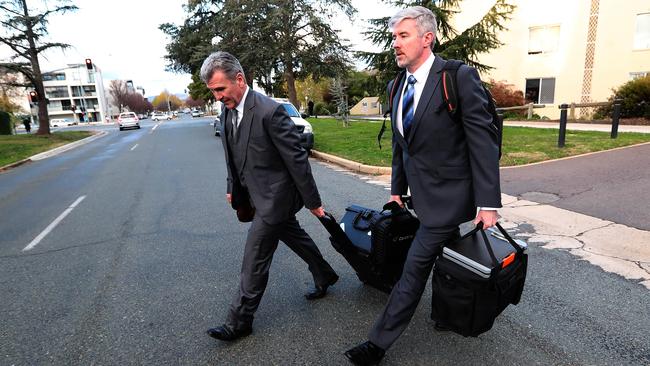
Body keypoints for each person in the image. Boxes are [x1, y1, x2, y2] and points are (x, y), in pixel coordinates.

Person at [344, 6, 501, 365]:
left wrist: (488, 203)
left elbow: (482, 141)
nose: (395, 45)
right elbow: (403, 145)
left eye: (403, 36)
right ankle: (447, 313)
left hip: (449, 197)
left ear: (427, 39)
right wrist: (397, 189)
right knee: (446, 258)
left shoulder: (456, 77)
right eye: (393, 37)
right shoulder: (396, 84)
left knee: (413, 270)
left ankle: (376, 345)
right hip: (421, 195)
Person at [200, 51, 339, 342]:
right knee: (294, 235)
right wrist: (231, 186)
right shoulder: (226, 111)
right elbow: (233, 155)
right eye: (212, 91)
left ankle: (239, 321)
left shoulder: (269, 111)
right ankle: (324, 273)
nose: (217, 97)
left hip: (276, 197)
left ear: (239, 79)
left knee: (255, 255)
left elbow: (297, 159)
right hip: (254, 195)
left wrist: (313, 203)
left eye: (220, 89)